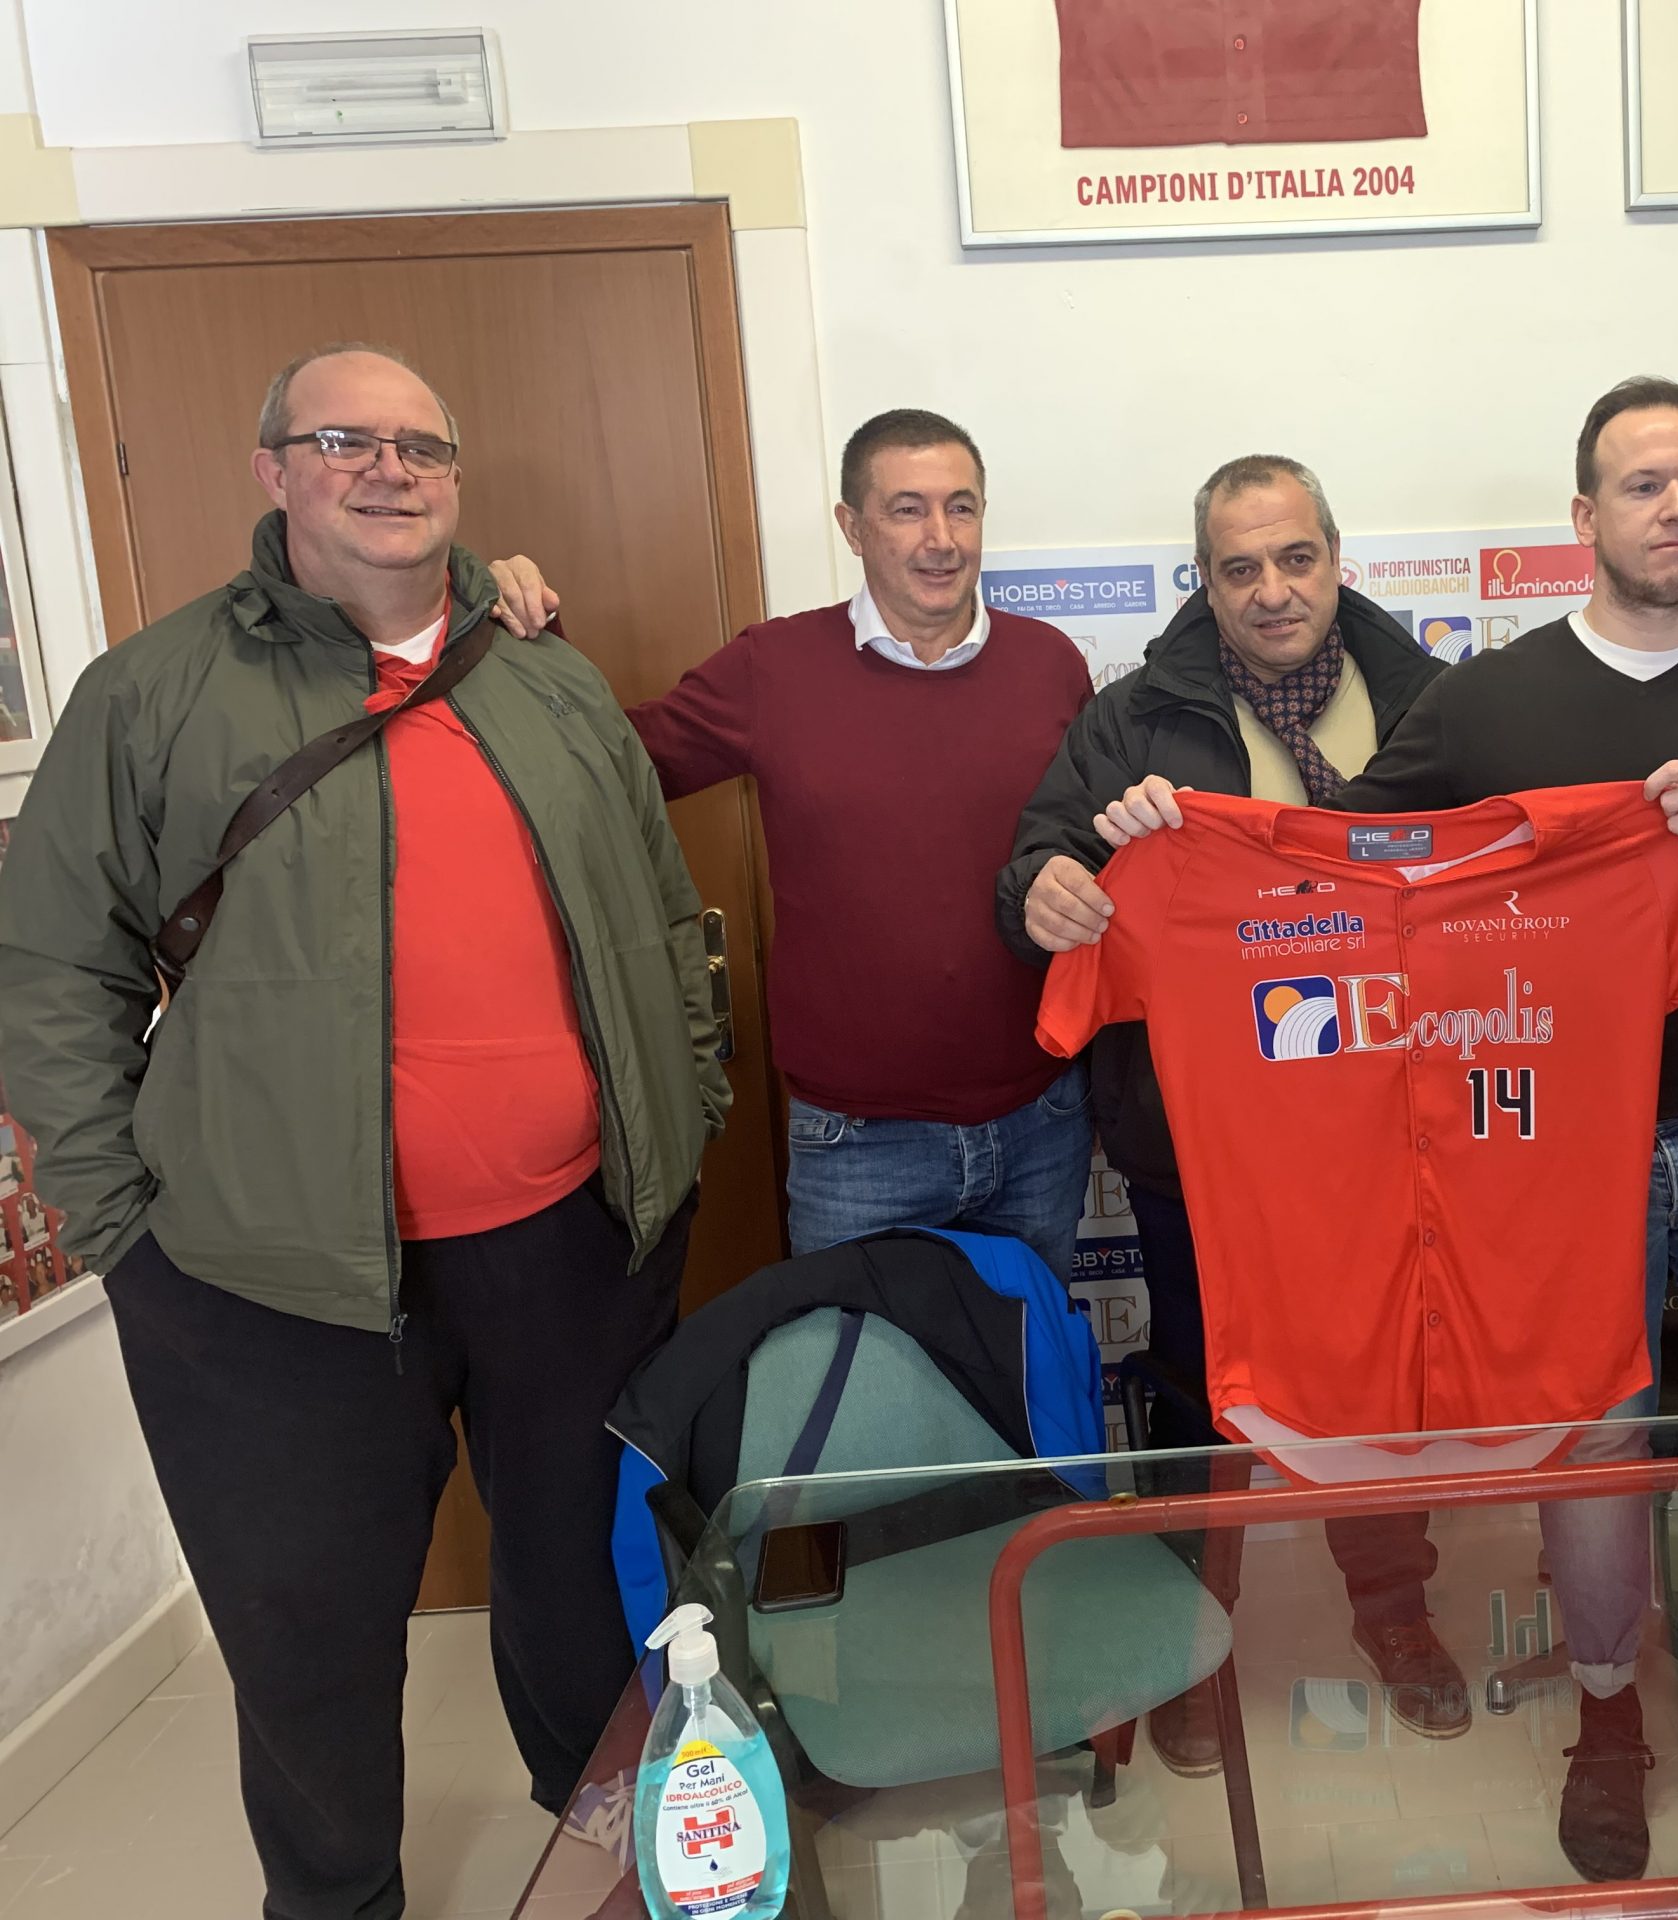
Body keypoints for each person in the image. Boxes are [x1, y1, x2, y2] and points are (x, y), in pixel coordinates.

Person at [1083, 381, 1678, 1878]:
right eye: (1643, 484)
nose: (1675, 507)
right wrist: (1181, 843)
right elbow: (1350, 871)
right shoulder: (1487, 702)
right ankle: (1608, 1718)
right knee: (1590, 1444)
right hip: (1548, 1149)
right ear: (1586, 513)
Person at [0, 344, 725, 1920]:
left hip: (574, 1248)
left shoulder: (546, 678)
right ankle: (336, 1903)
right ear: (274, 473)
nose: (389, 469)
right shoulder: (153, 693)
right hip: (270, 1288)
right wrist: (121, 1227)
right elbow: (51, 969)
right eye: (344, 440)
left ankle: (613, 1854)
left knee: (590, 1589)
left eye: (420, 445)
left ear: (455, 477)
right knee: (308, 1639)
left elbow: (662, 922)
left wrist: (684, 1120)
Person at [997, 454, 1461, 1769]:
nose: (1272, 591)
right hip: (1198, 1140)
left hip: (1391, 1126)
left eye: (1294, 559)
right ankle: (1191, 1645)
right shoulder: (1136, 719)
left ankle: (1395, 1610)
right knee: (1206, 1387)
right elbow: (1033, 867)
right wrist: (1052, 886)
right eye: (1240, 568)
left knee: (1380, 1382)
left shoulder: (1435, 704)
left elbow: (1518, 872)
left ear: (1337, 559)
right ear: (1203, 580)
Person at [494, 410, 1096, 1274]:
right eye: (907, 509)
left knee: (1029, 1359)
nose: (940, 538)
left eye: (960, 508)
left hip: (1042, 1119)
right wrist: (528, 644)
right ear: (852, 526)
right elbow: (615, 765)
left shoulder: (1050, 663)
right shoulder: (772, 666)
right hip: (859, 1145)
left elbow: (1088, 838)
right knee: (852, 1365)